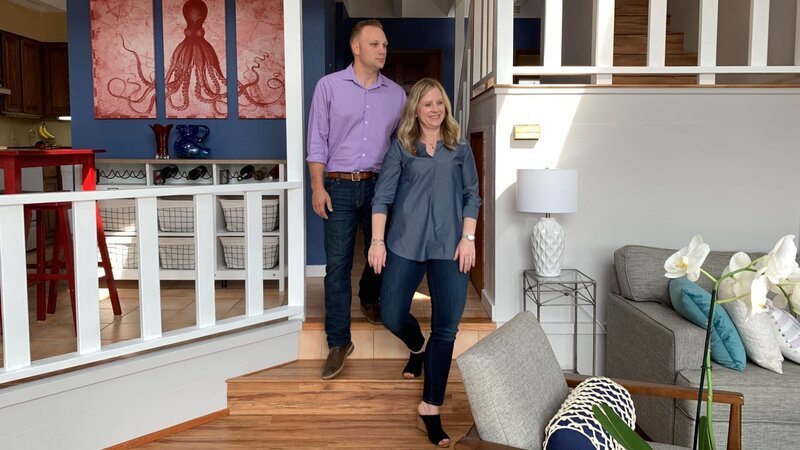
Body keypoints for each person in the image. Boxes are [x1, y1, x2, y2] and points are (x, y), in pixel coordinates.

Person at [368, 78, 481, 448]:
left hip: (451, 246)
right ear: (415, 108)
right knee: (391, 314)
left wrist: (469, 239)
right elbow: (382, 196)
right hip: (405, 241)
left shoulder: (459, 146)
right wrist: (377, 241)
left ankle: (430, 407)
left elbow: (471, 196)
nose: (435, 110)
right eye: (428, 103)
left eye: (440, 103)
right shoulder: (402, 147)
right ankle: (416, 346)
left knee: (446, 329)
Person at [307, 19, 406, 380]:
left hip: (381, 186)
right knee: (337, 265)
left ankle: (369, 298)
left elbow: (403, 144)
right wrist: (318, 188)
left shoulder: (397, 95)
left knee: (383, 254)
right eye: (376, 44)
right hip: (338, 186)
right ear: (356, 47)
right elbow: (316, 141)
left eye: (385, 44)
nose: (383, 50)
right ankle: (338, 341)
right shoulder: (328, 87)